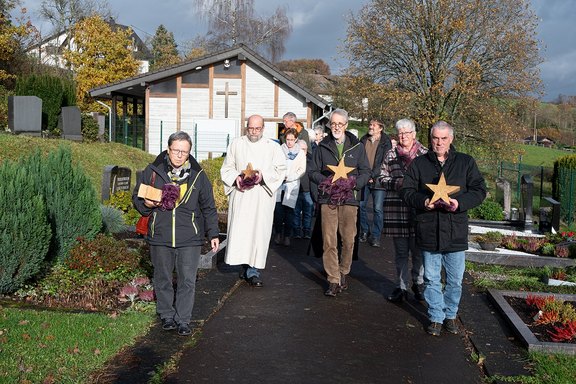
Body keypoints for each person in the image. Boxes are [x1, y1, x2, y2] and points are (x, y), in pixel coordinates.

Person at [401, 121, 486, 336]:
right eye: (435, 138)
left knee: (455, 279)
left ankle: (450, 315)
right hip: (428, 229)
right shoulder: (419, 164)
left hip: (455, 229)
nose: (439, 142)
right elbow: (407, 190)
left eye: (443, 138)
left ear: (451, 139)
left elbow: (479, 190)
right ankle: (436, 317)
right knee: (431, 278)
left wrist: (460, 203)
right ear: (430, 139)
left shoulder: (465, 162)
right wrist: (423, 202)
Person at [132, 131, 220, 337]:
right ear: (168, 149)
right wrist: (145, 204)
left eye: (184, 152)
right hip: (160, 235)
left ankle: (183, 320)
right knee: (162, 278)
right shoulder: (152, 171)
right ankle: (166, 316)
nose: (180, 155)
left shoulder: (198, 175)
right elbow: (137, 198)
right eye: (176, 150)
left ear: (189, 152)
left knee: (187, 280)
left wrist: (213, 233)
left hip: (190, 237)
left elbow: (208, 206)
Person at [309, 108, 371, 297]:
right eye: (332, 123)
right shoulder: (322, 147)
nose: (335, 127)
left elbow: (366, 172)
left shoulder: (357, 147)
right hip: (328, 199)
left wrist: (354, 184)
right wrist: (325, 181)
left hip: (349, 199)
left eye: (339, 124)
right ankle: (333, 279)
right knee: (329, 240)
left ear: (346, 125)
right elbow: (312, 172)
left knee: (349, 239)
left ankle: (344, 271)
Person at [221, 114, 287, 287]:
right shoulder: (237, 144)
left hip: (261, 197)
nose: (254, 132)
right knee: (242, 232)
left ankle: (253, 270)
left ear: (263, 128)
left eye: (258, 128)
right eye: (251, 128)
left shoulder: (272, 147)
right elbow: (227, 167)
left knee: (257, 232)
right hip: (242, 195)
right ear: (246, 127)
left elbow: (281, 169)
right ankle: (244, 265)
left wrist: (263, 176)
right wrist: (236, 177)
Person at [378, 118, 428, 303]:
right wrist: (395, 183)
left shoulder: (424, 154)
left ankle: (418, 283)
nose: (403, 136)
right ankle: (401, 286)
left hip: (418, 210)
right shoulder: (390, 154)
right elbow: (381, 178)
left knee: (419, 252)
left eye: (407, 133)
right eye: (400, 133)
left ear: (414, 134)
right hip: (396, 209)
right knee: (400, 252)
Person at [359, 118, 392, 247]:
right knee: (361, 206)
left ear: (380, 128)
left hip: (378, 180)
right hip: (364, 178)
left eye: (374, 125)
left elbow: (385, 161)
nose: (371, 127)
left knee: (377, 209)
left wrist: (372, 175)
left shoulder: (385, 142)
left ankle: (376, 236)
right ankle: (365, 231)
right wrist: (364, 175)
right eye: (370, 125)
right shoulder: (363, 140)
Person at [273, 128, 307, 246]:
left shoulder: (300, 153)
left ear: (296, 139)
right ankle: (278, 233)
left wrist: (290, 177)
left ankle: (287, 236)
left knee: (289, 212)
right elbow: (274, 165)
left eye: (292, 140)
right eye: (288, 139)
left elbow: (301, 169)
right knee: (278, 212)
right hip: (279, 185)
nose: (289, 142)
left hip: (291, 185)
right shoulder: (279, 150)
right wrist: (280, 176)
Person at [292, 140, 314, 239]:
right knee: (295, 212)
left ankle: (307, 231)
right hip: (296, 190)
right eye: (300, 149)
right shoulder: (293, 160)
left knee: (308, 213)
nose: (302, 151)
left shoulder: (311, 160)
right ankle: (296, 231)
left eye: (304, 149)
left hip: (307, 191)